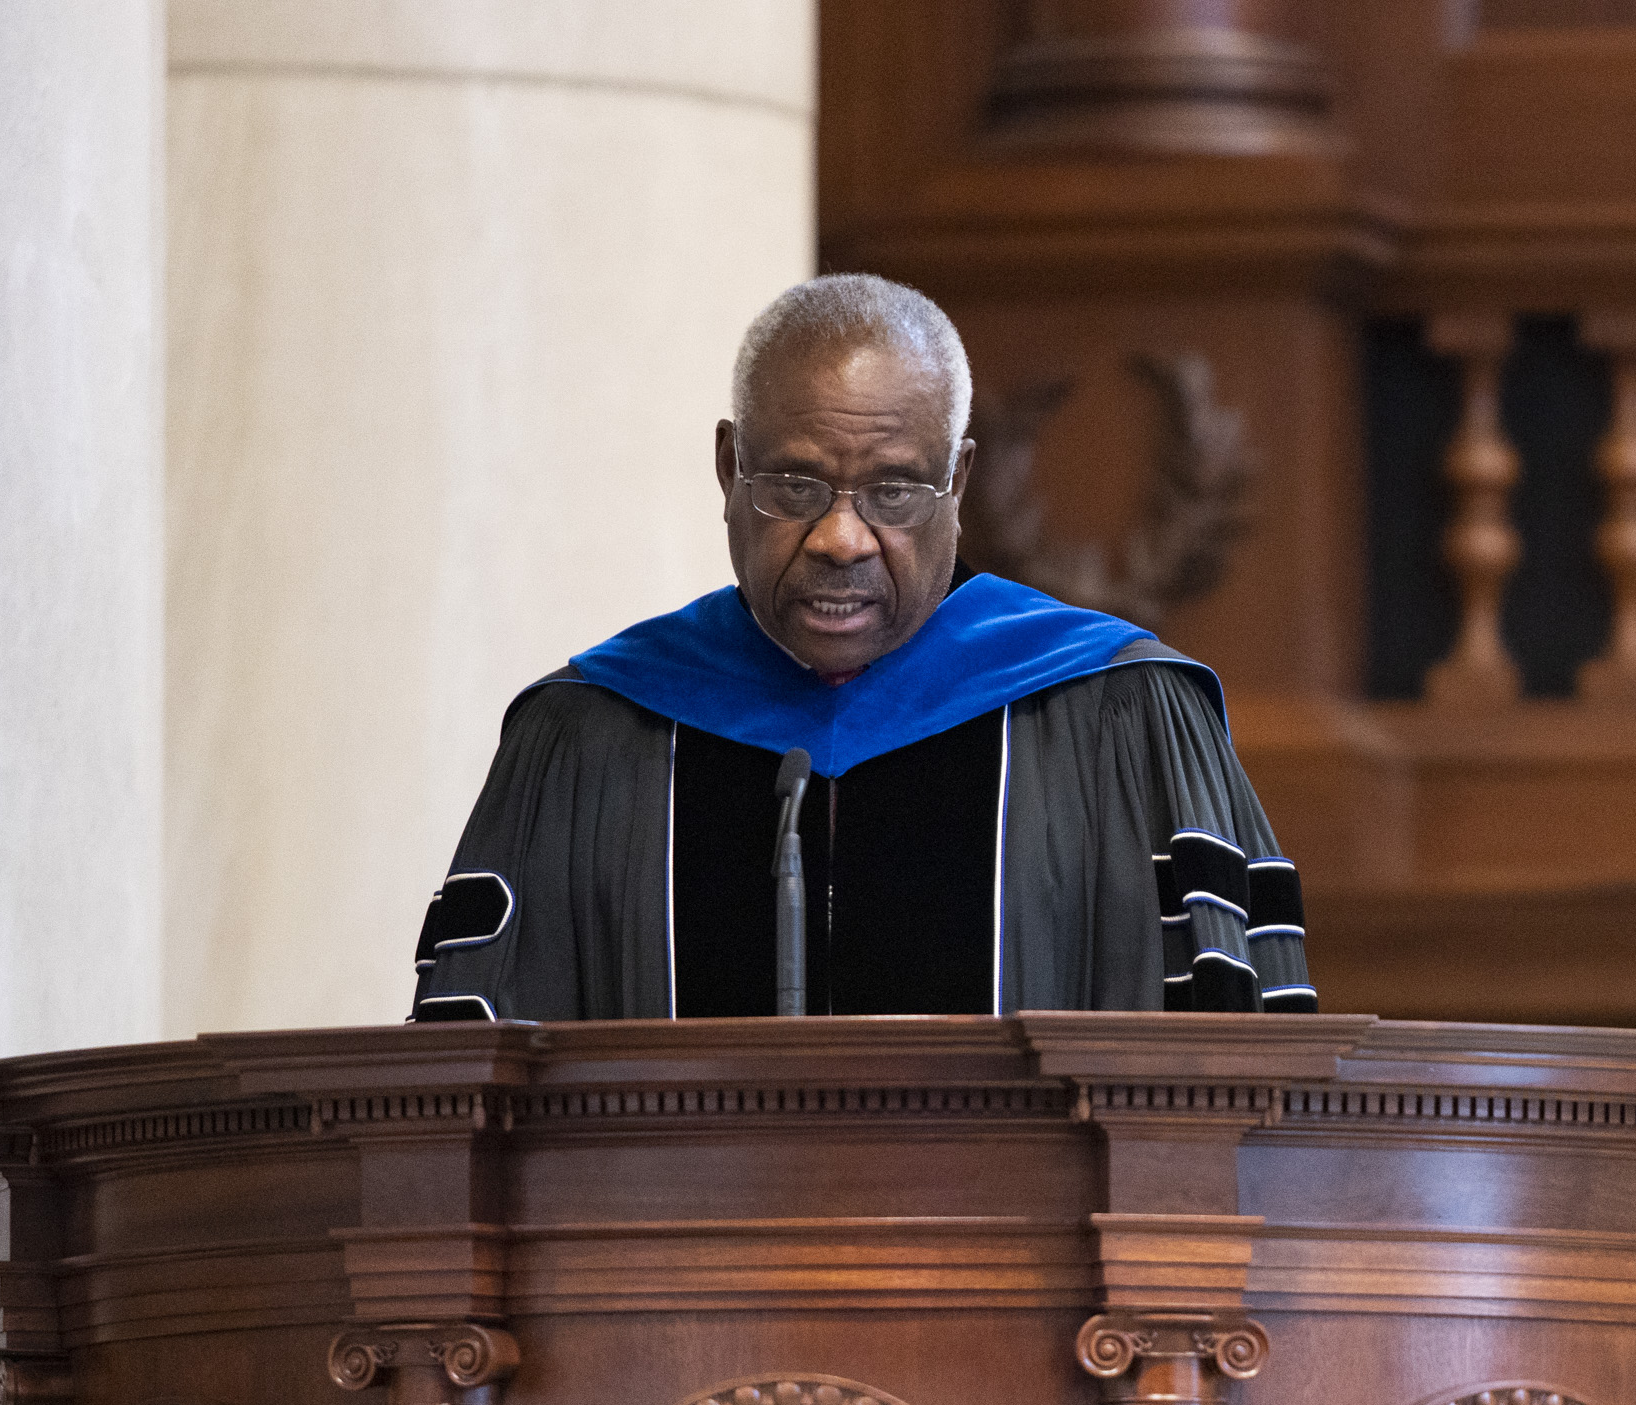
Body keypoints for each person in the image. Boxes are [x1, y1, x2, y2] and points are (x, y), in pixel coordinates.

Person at [408, 274, 1313, 1023]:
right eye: (797, 485)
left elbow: (1239, 1073)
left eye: (893, 490)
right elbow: (468, 1091)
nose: (843, 538)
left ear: (958, 478)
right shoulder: (589, 735)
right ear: (729, 467)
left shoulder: (1122, 719)